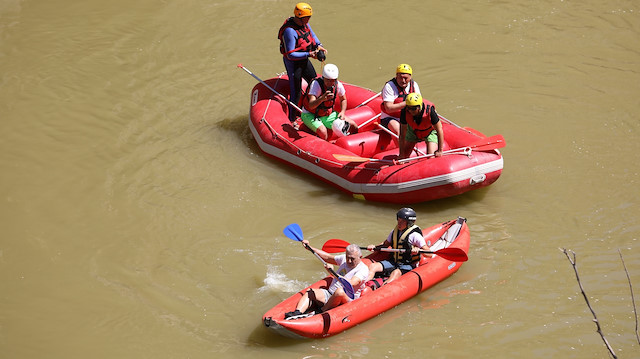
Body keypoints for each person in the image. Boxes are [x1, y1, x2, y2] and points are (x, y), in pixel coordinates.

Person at [285, 241, 369, 320]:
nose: (349, 261)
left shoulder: (363, 269)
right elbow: (328, 258)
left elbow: (351, 283)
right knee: (310, 292)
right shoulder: (344, 259)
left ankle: (320, 312)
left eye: (352, 259)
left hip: (347, 299)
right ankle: (297, 313)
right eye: (347, 257)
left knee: (339, 291)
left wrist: (332, 273)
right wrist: (310, 248)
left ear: (360, 257)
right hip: (330, 294)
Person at [277, 3, 327, 123]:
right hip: (293, 63)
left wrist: (319, 46)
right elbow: (290, 54)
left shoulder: (304, 23)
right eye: (307, 17)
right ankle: (292, 119)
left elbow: (312, 35)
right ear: (300, 17)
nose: (309, 19)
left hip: (304, 59)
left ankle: (309, 108)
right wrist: (309, 54)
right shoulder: (289, 31)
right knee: (296, 92)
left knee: (314, 82)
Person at [365, 208, 428, 285]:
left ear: (409, 223)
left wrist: (418, 250)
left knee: (396, 273)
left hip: (408, 265)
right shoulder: (394, 232)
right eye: (398, 220)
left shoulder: (415, 235)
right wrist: (374, 247)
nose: (399, 223)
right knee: (373, 266)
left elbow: (429, 254)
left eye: (402, 221)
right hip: (393, 262)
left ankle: (382, 289)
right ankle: (363, 285)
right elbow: (385, 245)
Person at [301, 63, 358, 140]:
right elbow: (311, 105)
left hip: (326, 114)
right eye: (328, 80)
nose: (330, 83)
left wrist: (342, 112)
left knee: (353, 125)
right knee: (323, 132)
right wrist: (322, 99)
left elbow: (343, 99)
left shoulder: (338, 85)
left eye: (332, 80)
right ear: (323, 77)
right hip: (310, 114)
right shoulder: (316, 85)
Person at [380, 64, 422, 142]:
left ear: (410, 77)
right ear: (396, 76)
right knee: (399, 131)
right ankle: (401, 152)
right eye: (400, 78)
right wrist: (408, 103)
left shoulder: (414, 85)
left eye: (405, 78)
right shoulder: (389, 86)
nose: (403, 81)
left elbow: (419, 103)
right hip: (390, 118)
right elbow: (388, 108)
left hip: (408, 116)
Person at [398, 93, 444, 160]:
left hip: (429, 131)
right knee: (404, 157)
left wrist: (440, 150)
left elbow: (439, 130)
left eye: (413, 108)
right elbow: (402, 134)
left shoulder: (430, 111)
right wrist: (401, 154)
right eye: (409, 108)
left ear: (419, 106)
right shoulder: (405, 112)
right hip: (413, 130)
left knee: (431, 157)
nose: (410, 111)